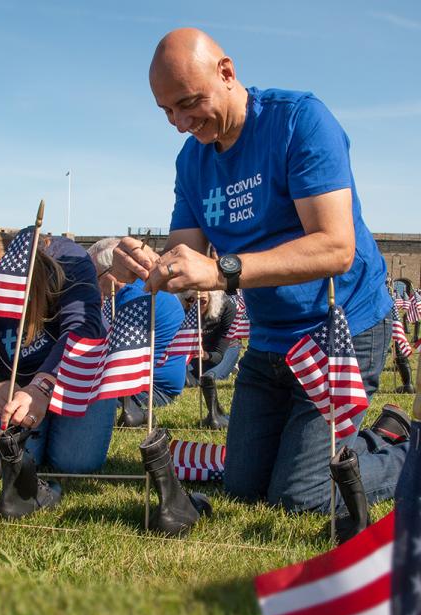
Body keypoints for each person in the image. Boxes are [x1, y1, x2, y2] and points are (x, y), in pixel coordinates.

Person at [112, 28, 410, 529]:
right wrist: (143, 262)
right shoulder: (192, 160)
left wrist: (223, 270)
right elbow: (185, 254)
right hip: (271, 343)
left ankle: (404, 450)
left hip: (340, 329)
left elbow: (337, 247)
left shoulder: (299, 121)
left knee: (300, 497)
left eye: (189, 103)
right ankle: (362, 438)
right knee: (244, 486)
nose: (181, 123)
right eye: (167, 111)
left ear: (227, 72)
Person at [0, 231, 116, 476]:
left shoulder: (68, 259)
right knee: (2, 465)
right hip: (17, 384)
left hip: (79, 372)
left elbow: (82, 329)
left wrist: (42, 387)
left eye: (4, 294)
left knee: (75, 463)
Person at [87, 237, 186, 427]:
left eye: (95, 277)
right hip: (151, 383)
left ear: (112, 271)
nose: (94, 285)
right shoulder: (140, 289)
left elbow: (113, 360)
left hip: (151, 389)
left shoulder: (134, 300)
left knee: (72, 399)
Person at [179, 290, 238, 428]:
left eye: (202, 301)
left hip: (224, 350)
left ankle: (215, 413)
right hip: (195, 352)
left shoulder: (227, 308)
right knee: (187, 378)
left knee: (208, 377)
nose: (195, 305)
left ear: (212, 298)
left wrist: (206, 355)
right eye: (190, 300)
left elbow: (218, 353)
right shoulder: (183, 311)